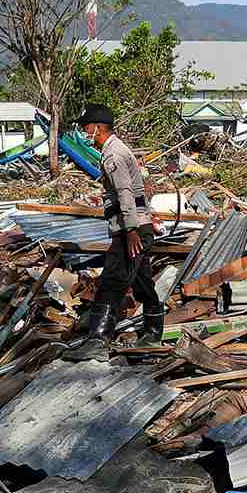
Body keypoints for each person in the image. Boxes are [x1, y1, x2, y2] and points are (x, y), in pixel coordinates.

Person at [72, 103, 163, 355]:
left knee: (112, 280)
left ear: (98, 128)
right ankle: (152, 333)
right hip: (137, 228)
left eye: (85, 127)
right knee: (143, 282)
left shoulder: (113, 155)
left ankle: (98, 340)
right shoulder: (117, 150)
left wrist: (131, 230)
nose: (83, 132)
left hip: (130, 231)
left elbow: (125, 193)